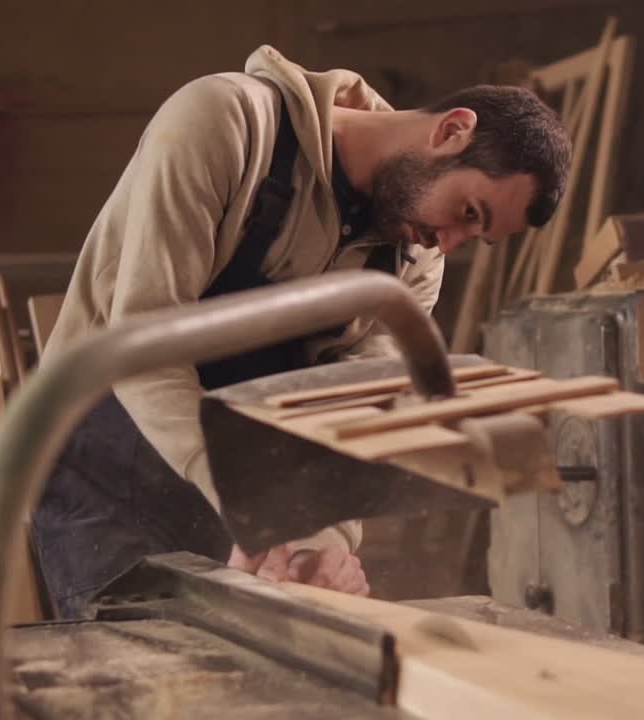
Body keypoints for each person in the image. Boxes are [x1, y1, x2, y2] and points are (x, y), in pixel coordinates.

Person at [31, 45, 571, 619]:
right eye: (469, 212)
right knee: (133, 683)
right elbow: (142, 344)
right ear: (452, 132)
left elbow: (356, 414)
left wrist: (325, 544)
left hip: (239, 491)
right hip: (112, 467)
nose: (451, 243)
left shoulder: (412, 259)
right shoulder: (225, 125)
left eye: (477, 237)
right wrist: (255, 508)